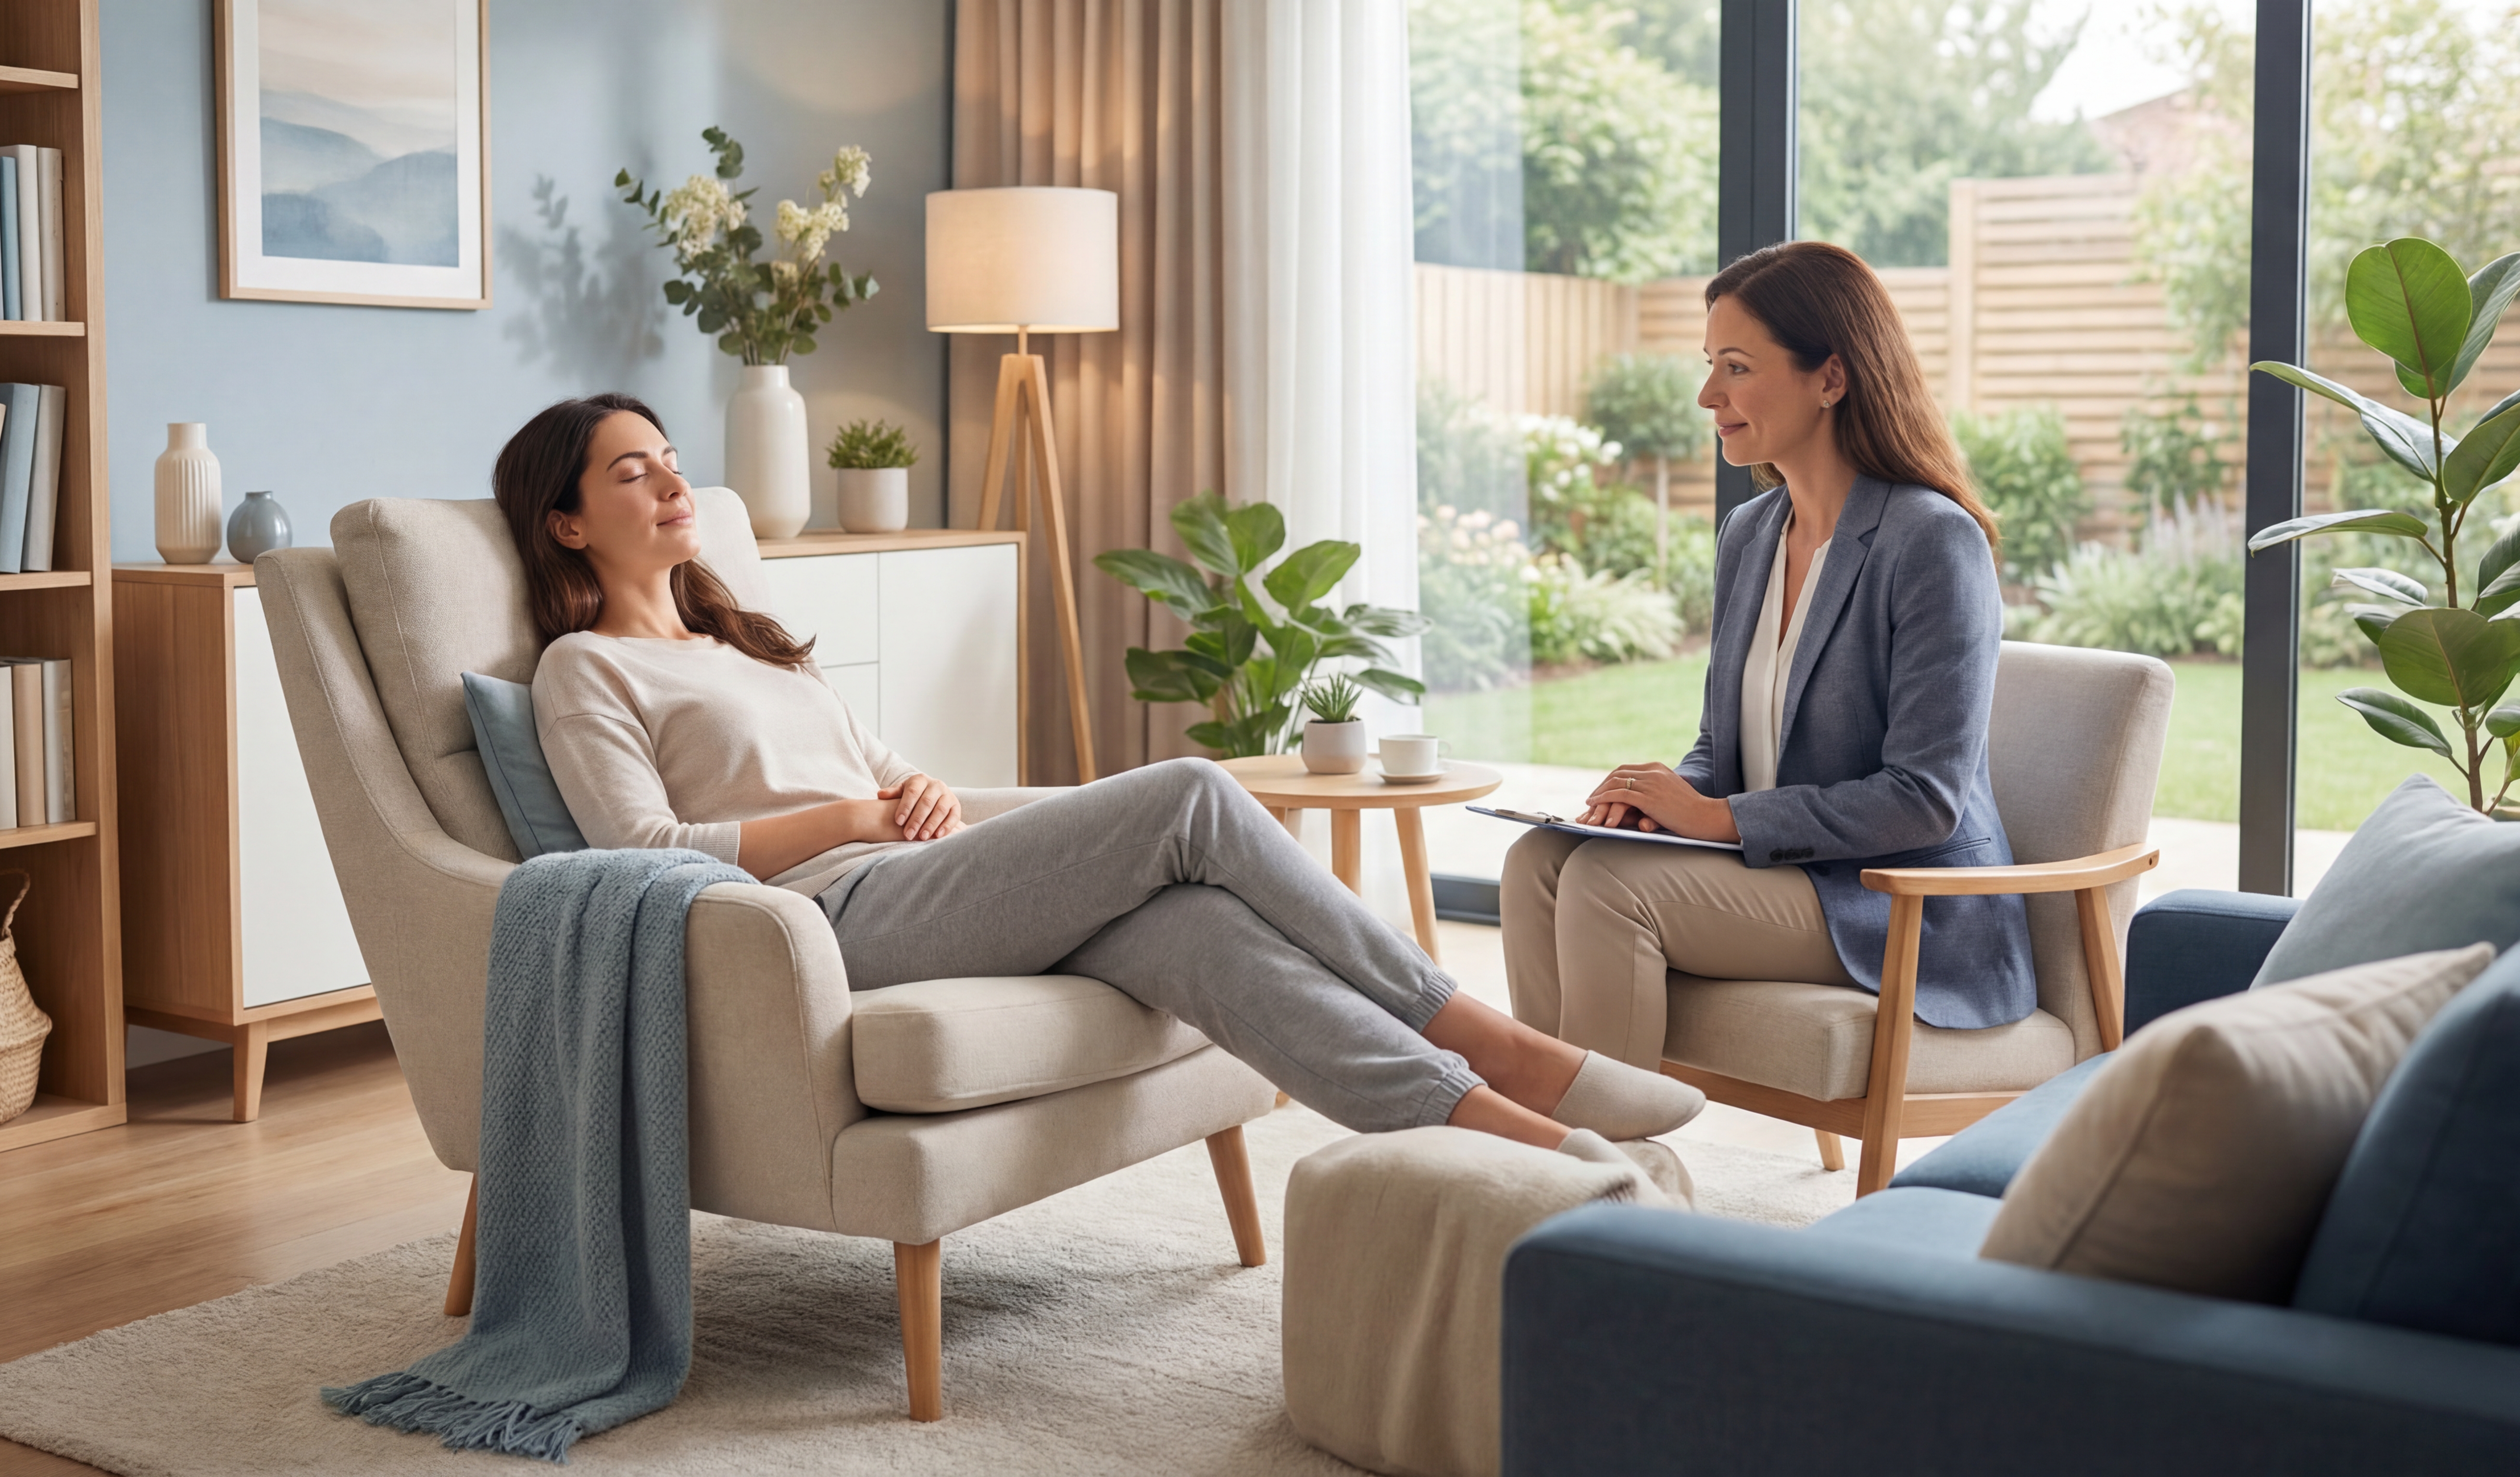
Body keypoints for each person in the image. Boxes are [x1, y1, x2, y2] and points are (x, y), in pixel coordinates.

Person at [495, 392, 1707, 1161]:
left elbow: (877, 766)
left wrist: (911, 794)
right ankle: (1497, 1040)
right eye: (630, 473)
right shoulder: (582, 672)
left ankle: (1523, 1141)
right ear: (566, 524)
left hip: (914, 874)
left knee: (1193, 937)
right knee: (1187, 797)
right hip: (818, 921)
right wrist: (858, 817)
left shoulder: (741, 638)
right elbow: (635, 858)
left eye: (666, 460)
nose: (670, 485)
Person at [1501, 240, 2036, 1072]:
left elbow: (1925, 799)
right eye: (1711, 364)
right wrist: (1661, 805)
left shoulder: (1932, 541)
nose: (1709, 394)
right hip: (1790, 875)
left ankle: (1606, 1170)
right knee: (1539, 861)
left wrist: (1717, 820)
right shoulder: (1751, 534)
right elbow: (1726, 747)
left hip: (1899, 906)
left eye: (1739, 368)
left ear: (1832, 377)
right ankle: (1547, 1134)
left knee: (1611, 889)